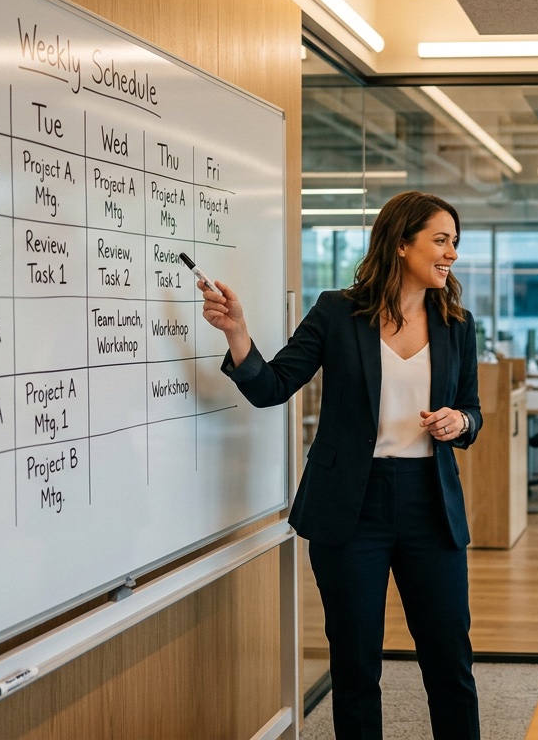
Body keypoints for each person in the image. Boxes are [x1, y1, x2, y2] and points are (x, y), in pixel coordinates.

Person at [199, 191, 481, 739]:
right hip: (351, 506)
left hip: (431, 503)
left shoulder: (457, 322)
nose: (451, 254)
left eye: (454, 243)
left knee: (450, 661)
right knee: (355, 667)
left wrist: (459, 423)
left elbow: (472, 408)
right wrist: (237, 333)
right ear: (401, 244)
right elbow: (272, 386)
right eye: (440, 240)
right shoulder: (337, 311)